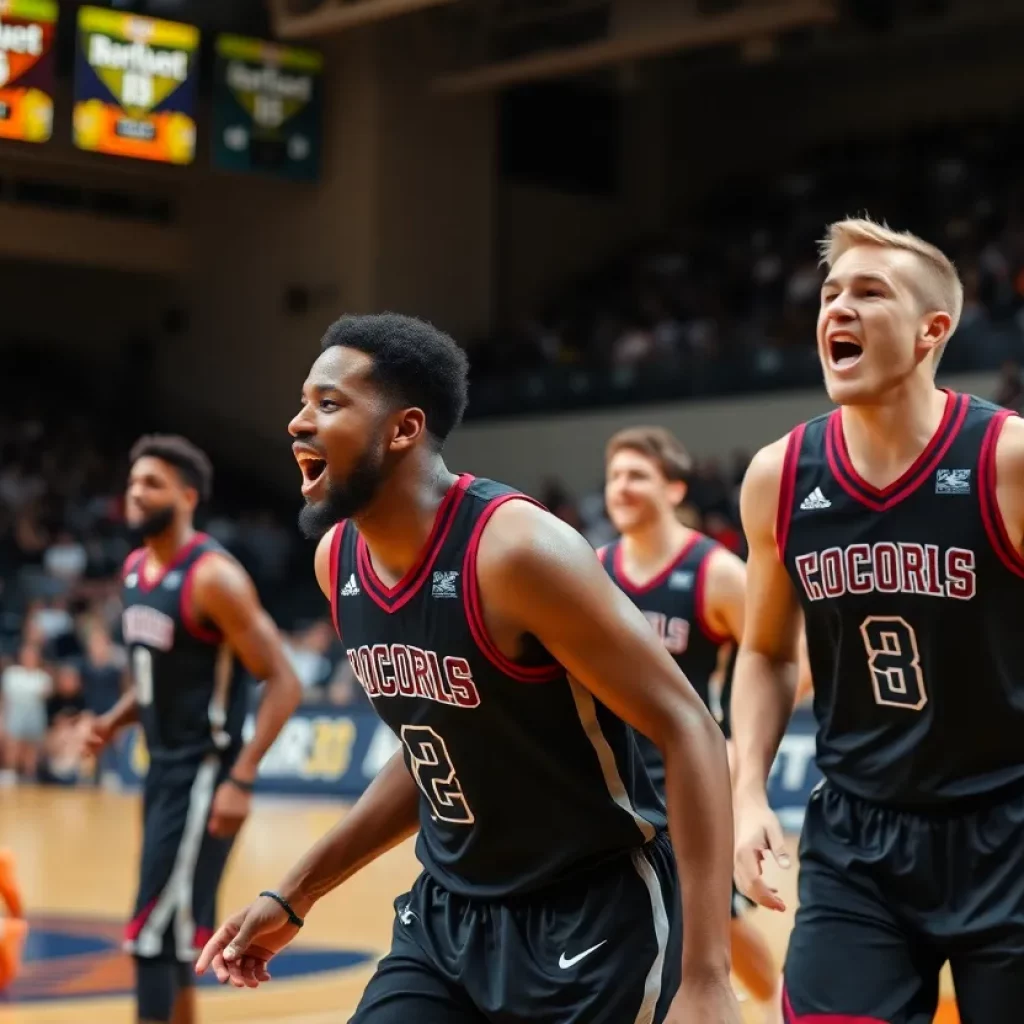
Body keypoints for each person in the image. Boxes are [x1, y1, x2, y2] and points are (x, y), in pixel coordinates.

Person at [197, 313, 742, 1024]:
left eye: (328, 404)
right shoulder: (339, 564)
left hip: (589, 914)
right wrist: (295, 892)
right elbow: (437, 743)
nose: (299, 422)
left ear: (403, 429)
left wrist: (706, 977)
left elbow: (689, 727)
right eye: (302, 402)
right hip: (446, 917)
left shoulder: (516, 551)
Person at [732, 216, 1024, 1023]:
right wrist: (748, 791)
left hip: (1009, 823)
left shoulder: (1007, 460)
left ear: (934, 330)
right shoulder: (779, 477)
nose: (838, 310)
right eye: (830, 294)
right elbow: (762, 654)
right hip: (859, 838)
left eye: (870, 292)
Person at [84, 435, 302, 1024]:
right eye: (132, 482)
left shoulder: (213, 579)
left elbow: (284, 679)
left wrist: (241, 777)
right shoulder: (133, 570)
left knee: (153, 933)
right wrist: (112, 721)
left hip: (206, 775)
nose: (135, 493)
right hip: (162, 771)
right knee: (172, 932)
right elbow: (154, 679)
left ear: (186, 496)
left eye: (151, 483)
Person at [600, 426, 779, 1020]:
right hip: (616, 778)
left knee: (714, 915)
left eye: (637, 476)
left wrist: (732, 733)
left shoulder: (715, 571)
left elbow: (783, 658)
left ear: (674, 488)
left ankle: (779, 1001)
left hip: (688, 776)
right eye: (614, 477)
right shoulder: (592, 569)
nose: (621, 488)